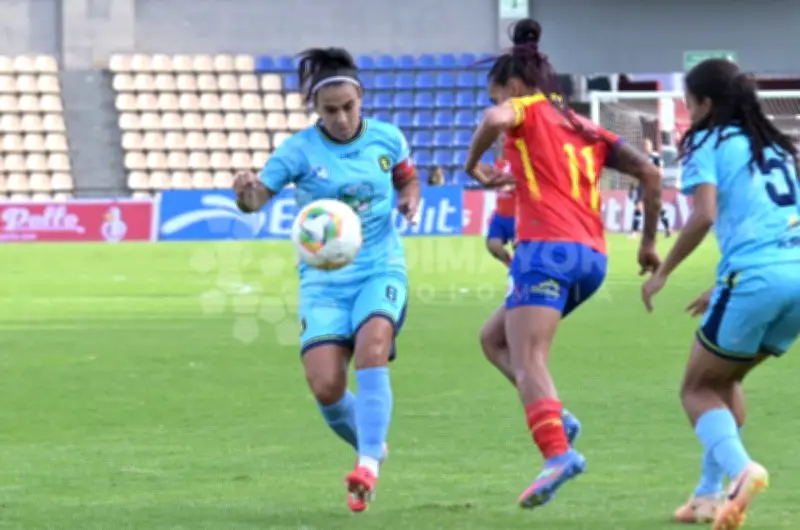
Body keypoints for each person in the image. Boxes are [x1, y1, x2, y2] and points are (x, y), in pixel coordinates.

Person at [465, 18, 663, 510]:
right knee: (493, 341)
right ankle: (556, 415)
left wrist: (472, 166)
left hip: (545, 251)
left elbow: (493, 122)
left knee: (529, 358)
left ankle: (558, 453)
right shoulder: (583, 125)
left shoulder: (523, 109)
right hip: (592, 258)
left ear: (512, 86)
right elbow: (651, 173)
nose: (497, 104)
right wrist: (647, 244)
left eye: (498, 94)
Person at [232, 47, 420, 513]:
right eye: (330, 110)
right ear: (316, 108)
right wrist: (245, 193)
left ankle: (368, 466)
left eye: (348, 107)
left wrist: (409, 198)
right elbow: (257, 201)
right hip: (323, 280)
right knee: (326, 387)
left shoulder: (387, 139)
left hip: (379, 267)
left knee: (374, 347)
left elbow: (407, 179)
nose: (340, 118)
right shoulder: (297, 151)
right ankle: (372, 438)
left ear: (361, 98)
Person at [641, 59, 800, 530]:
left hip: (755, 279)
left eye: (689, 103)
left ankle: (741, 471)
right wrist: (726, 281)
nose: (688, 113)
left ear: (707, 103)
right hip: (793, 273)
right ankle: (708, 496)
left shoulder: (708, 143)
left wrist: (663, 272)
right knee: (726, 381)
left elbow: (705, 213)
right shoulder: (775, 145)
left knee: (697, 388)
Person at [629, 138, 671, 238]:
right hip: (642, 185)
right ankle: (634, 232)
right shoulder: (640, 157)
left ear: (651, 146)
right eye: (644, 145)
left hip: (653, 185)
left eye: (647, 145)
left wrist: (656, 180)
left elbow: (660, 171)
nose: (645, 147)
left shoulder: (656, 157)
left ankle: (667, 228)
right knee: (639, 206)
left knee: (658, 206)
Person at [485, 154, 515, 266]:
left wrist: (506, 185)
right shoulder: (500, 162)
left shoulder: (519, 160)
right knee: (493, 245)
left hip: (519, 214)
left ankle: (518, 275)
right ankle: (511, 266)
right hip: (501, 214)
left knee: (522, 250)